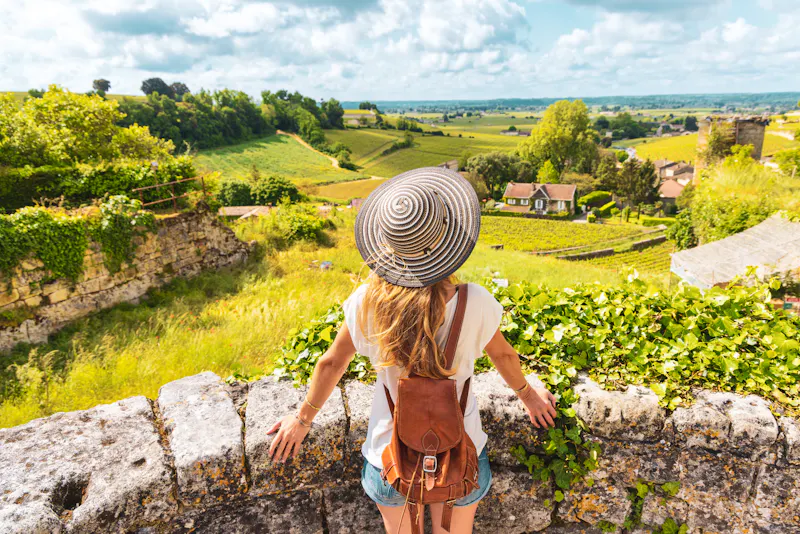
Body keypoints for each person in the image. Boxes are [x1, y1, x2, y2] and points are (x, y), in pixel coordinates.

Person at [267, 167, 558, 534]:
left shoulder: (366, 303)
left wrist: (303, 418)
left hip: (388, 457)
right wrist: (528, 395)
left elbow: (332, 362)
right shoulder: (475, 302)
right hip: (462, 454)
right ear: (447, 240)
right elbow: (503, 356)